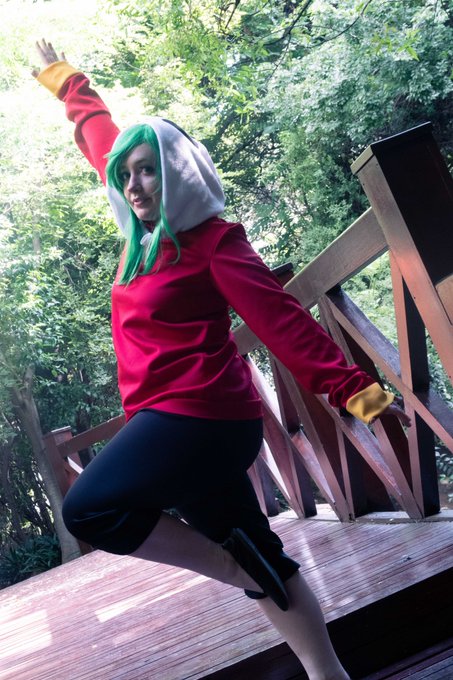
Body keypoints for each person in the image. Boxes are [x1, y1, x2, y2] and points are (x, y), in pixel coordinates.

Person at [32, 39, 410, 680]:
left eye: (148, 171)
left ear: (177, 175)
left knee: (90, 509)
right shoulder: (140, 240)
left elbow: (279, 319)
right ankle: (328, 672)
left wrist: (358, 392)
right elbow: (103, 142)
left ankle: (236, 568)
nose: (133, 184)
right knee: (259, 549)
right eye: (127, 176)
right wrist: (65, 81)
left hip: (203, 417)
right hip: (175, 421)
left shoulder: (213, 241)